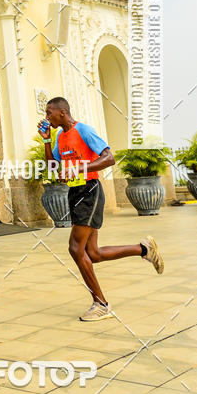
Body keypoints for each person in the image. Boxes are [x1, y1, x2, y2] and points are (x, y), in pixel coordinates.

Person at [38, 96, 164, 322]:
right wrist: (47, 141)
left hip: (90, 191)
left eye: (49, 113)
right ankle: (144, 249)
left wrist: (79, 167)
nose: (47, 117)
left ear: (62, 113)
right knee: (92, 254)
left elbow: (109, 158)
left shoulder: (84, 131)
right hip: (75, 192)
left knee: (76, 249)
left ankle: (101, 304)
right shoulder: (59, 136)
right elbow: (53, 166)